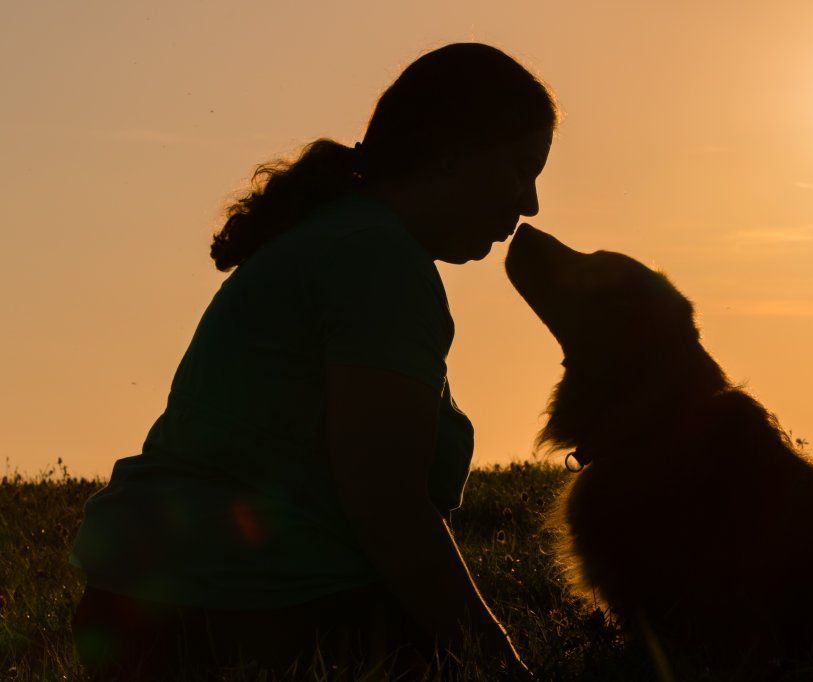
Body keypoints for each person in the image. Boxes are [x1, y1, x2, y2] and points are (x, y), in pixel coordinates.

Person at [68, 42, 557, 680]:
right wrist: (501, 664)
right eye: (522, 170)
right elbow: (388, 504)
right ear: (455, 155)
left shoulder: (339, 236)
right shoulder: (377, 260)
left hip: (151, 607)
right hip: (241, 617)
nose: (530, 205)